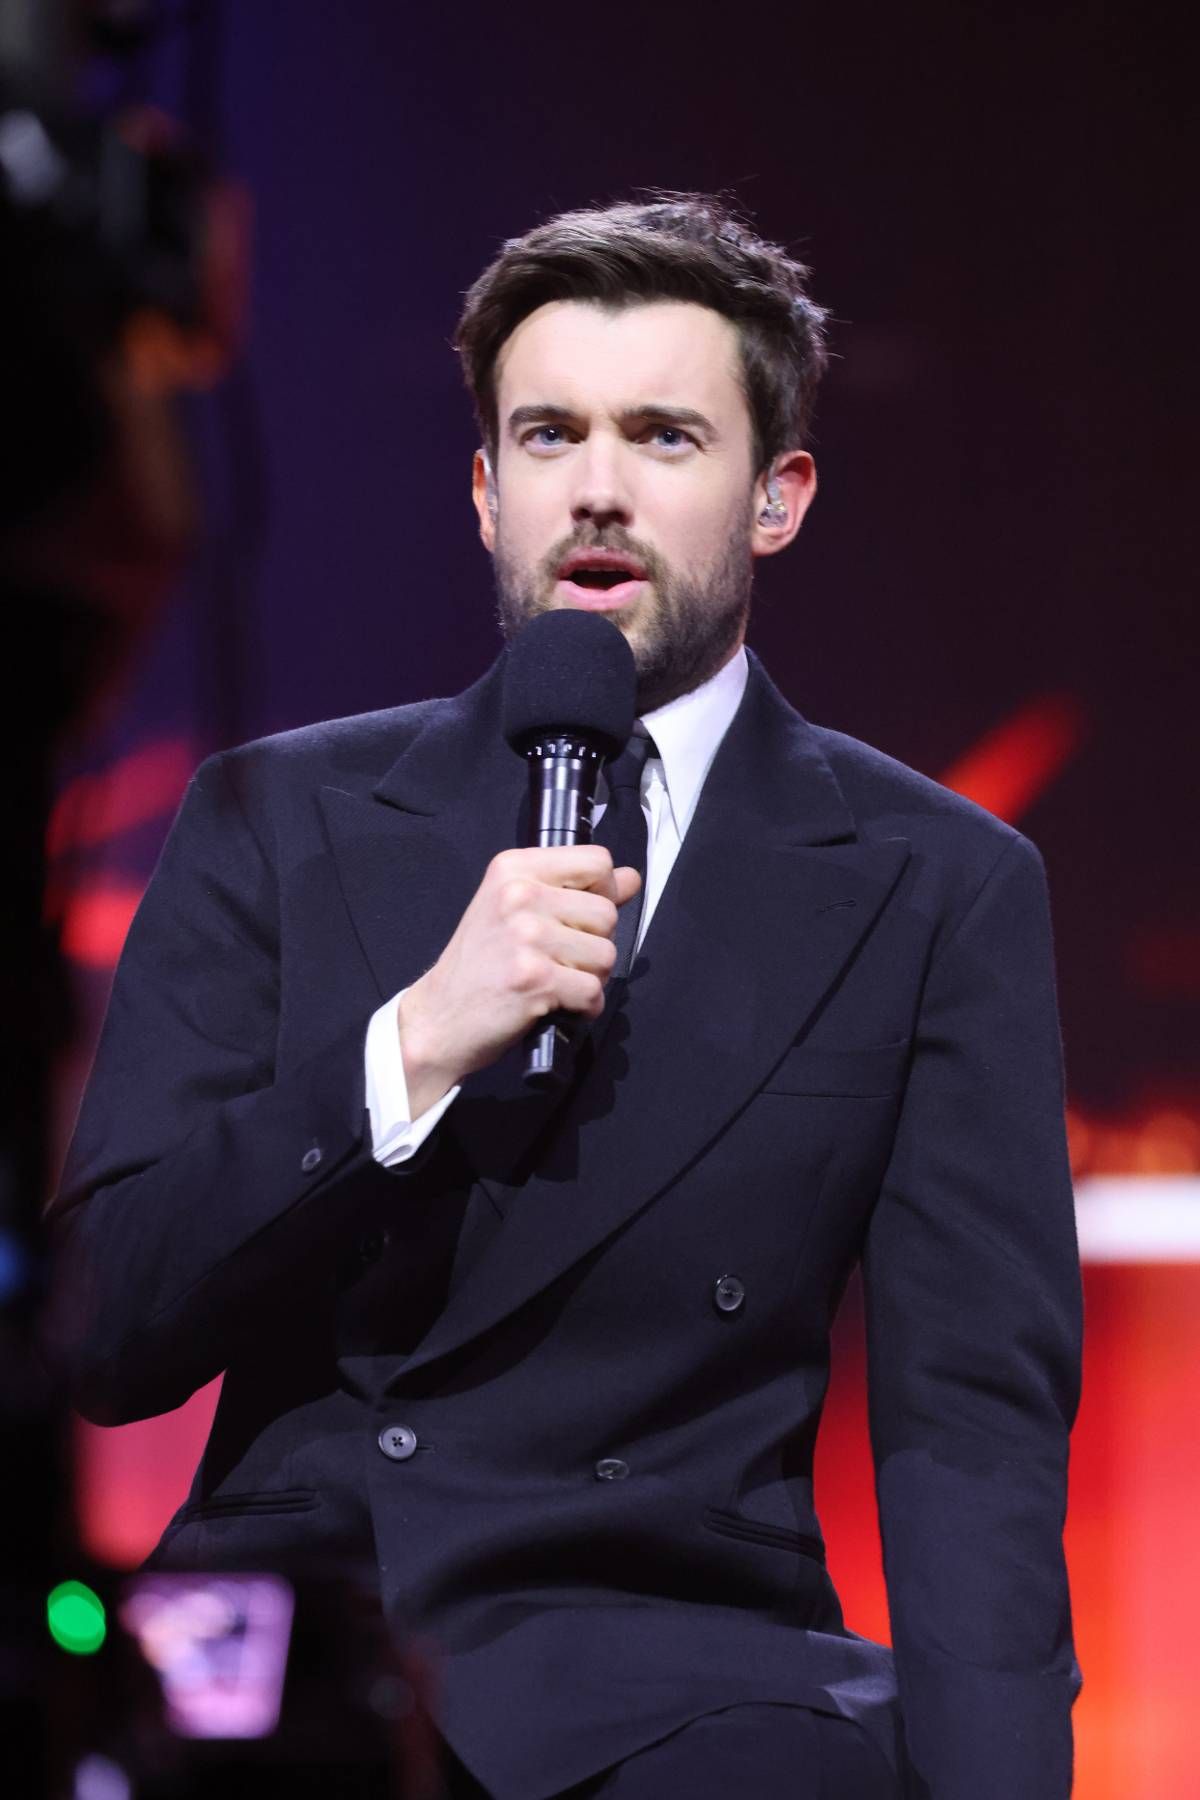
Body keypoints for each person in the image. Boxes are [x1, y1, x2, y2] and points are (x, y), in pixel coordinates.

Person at [50, 195, 1083, 1799]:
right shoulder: (276, 814)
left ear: (776, 497)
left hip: (687, 1665)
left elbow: (971, 1437)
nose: (596, 486)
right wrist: (411, 1047)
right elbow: (106, 1333)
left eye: (665, 437)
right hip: (303, 1638)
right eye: (549, 436)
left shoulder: (935, 881)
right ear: (484, 491)